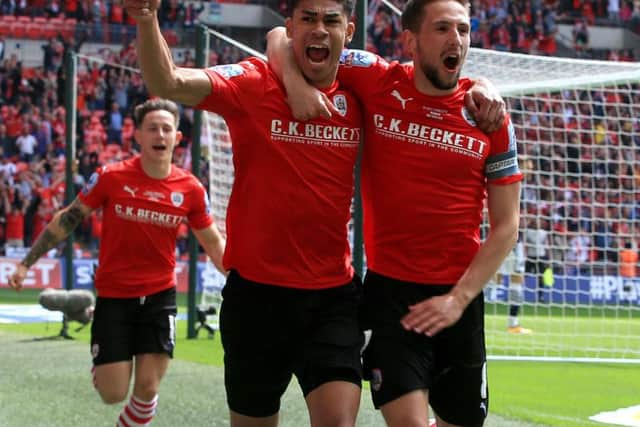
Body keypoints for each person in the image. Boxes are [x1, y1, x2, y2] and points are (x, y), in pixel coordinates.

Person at [267, 0, 522, 425]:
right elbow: (281, 38)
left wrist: (457, 301)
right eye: (442, 28)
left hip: (461, 300)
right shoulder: (376, 78)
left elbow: (507, 226)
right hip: (392, 299)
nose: (455, 39)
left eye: (463, 29)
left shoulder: (490, 117)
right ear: (410, 40)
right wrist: (295, 83)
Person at [124, 0, 366, 426]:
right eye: (307, 19)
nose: (319, 29)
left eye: (331, 20)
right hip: (256, 299)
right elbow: (169, 81)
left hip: (332, 298)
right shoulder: (252, 82)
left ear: (349, 31)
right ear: (290, 27)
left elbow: (427, 86)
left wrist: (480, 90)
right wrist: (147, 19)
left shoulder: (366, 89)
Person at [8, 98, 226, 427]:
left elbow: (211, 242)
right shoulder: (111, 177)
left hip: (159, 297)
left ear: (177, 138)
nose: (160, 134)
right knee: (113, 393)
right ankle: (88, 312)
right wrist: (26, 263)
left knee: (147, 387)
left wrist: (242, 279)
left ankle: (89, 315)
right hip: (115, 296)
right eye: (152, 128)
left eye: (167, 128)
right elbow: (68, 219)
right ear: (137, 135)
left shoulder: (192, 189)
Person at [494, 236, 532, 334]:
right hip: (513, 243)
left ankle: (513, 324)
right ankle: (513, 324)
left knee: (495, 281)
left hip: (498, 240)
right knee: (516, 284)